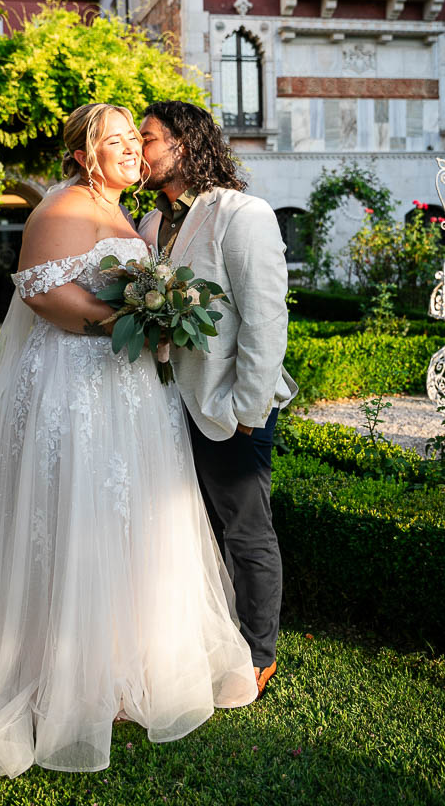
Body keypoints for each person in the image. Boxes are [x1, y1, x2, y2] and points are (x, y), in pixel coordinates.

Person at [0, 103, 257, 806]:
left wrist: (155, 322)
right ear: (84, 154)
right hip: (74, 388)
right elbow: (43, 295)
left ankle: (121, 670)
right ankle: (55, 674)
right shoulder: (62, 205)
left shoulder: (130, 219)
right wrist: (131, 318)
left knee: (130, 524)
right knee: (74, 519)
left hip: (133, 390)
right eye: (113, 142)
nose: (129, 153)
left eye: (131, 142)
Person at [138, 101, 297, 697]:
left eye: (149, 139)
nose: (140, 151)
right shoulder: (152, 226)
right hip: (166, 406)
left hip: (230, 407)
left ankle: (258, 652)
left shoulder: (242, 213)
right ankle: (204, 637)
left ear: (183, 143)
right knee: (187, 529)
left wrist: (247, 412)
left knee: (245, 530)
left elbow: (264, 320)